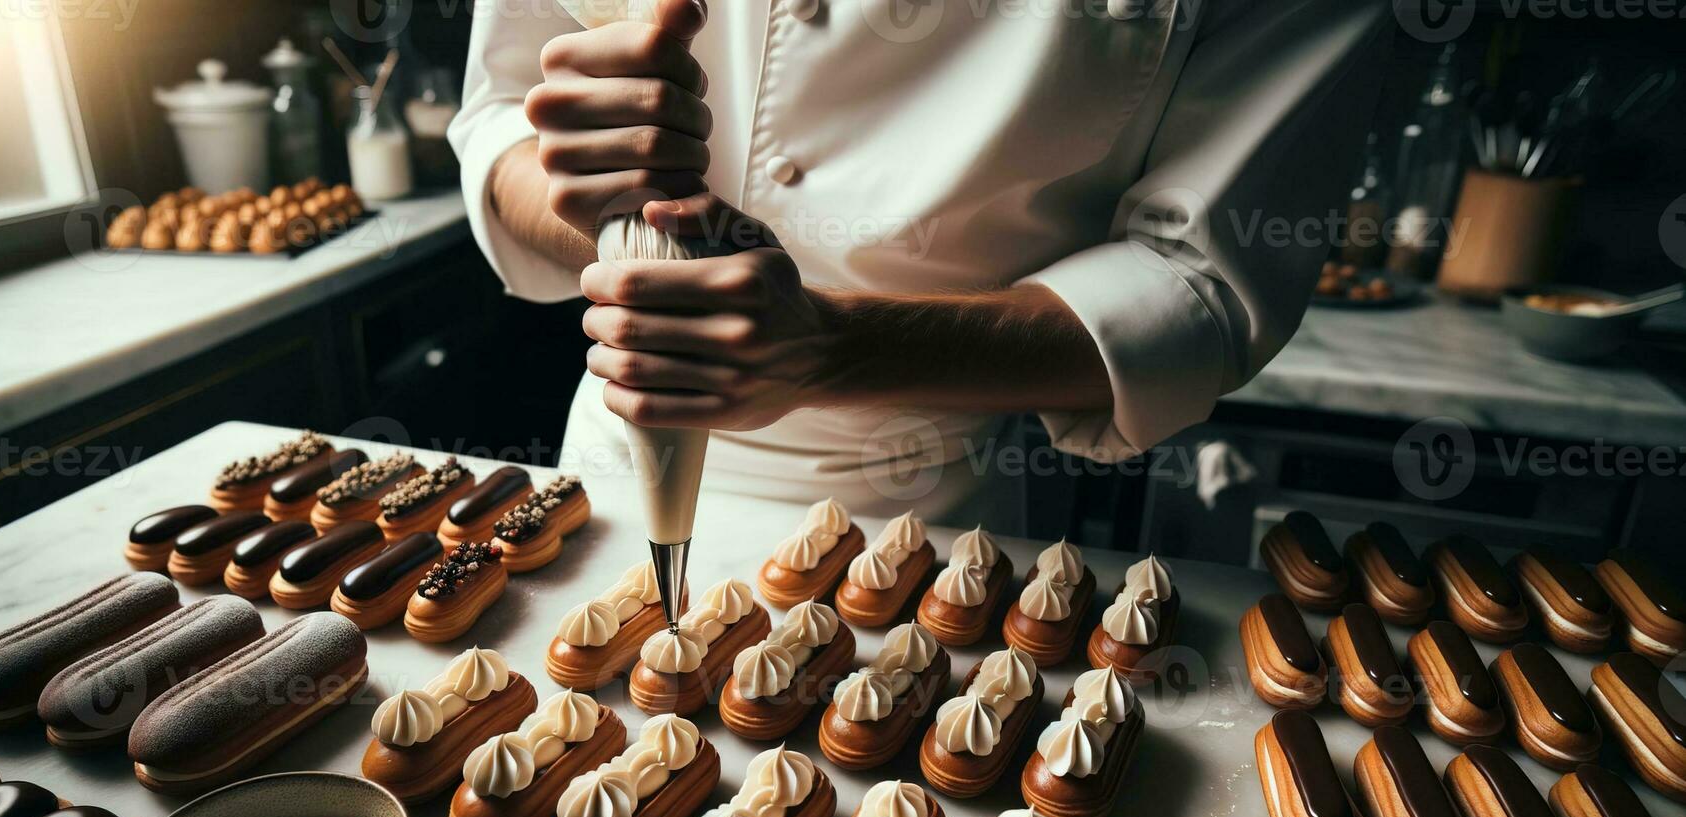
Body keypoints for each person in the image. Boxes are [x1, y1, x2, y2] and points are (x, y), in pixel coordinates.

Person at [449, 0, 1390, 520]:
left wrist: (835, 347)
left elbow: (1202, 285)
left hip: (933, 506)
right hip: (608, 465)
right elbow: (500, 124)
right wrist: (625, 224)